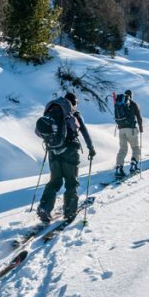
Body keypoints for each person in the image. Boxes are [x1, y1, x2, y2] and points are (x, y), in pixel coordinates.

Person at [38, 92, 96, 223]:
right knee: (71, 182)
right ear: (73, 102)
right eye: (76, 103)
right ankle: (69, 212)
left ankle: (44, 207)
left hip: (53, 151)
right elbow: (84, 131)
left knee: (55, 181)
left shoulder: (52, 110)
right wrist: (91, 148)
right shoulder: (73, 114)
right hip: (70, 150)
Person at [114, 89, 143, 178]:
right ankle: (134, 165)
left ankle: (119, 167)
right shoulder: (133, 104)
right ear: (131, 95)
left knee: (123, 148)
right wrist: (141, 129)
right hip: (131, 129)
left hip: (121, 129)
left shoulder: (118, 103)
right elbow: (139, 117)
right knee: (135, 148)